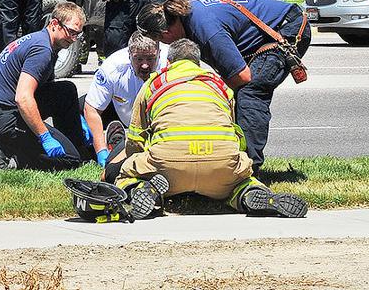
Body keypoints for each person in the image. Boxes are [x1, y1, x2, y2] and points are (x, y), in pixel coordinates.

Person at [102, 39, 308, 220]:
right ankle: (249, 193)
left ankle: (143, 189)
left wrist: (140, 164)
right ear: (197, 63)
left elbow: (135, 139)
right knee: (240, 182)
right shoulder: (220, 85)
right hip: (220, 166)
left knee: (126, 174)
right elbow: (235, 132)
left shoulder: (154, 83)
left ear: (169, 62)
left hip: (169, 169)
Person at [136, 0, 311, 173]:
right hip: (265, 33)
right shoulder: (182, 12)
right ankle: (229, 156)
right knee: (233, 93)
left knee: (249, 93)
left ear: (167, 32)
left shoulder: (207, 30)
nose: (165, 44)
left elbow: (242, 76)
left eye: (161, 41)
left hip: (287, 30)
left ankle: (247, 169)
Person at [0, 1, 86, 170]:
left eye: (77, 34)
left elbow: (46, 89)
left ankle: (77, 145)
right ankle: (5, 150)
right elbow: (23, 98)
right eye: (71, 32)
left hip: (3, 110)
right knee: (70, 160)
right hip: (5, 119)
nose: (73, 39)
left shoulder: (45, 42)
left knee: (66, 91)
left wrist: (76, 121)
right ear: (54, 24)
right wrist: (44, 136)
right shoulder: (41, 50)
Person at [81, 31, 168, 167]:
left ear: (159, 53)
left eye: (150, 59)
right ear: (129, 55)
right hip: (124, 113)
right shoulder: (112, 67)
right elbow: (92, 109)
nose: (145, 65)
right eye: (139, 59)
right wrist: (101, 150)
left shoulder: (172, 63)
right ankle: (113, 144)